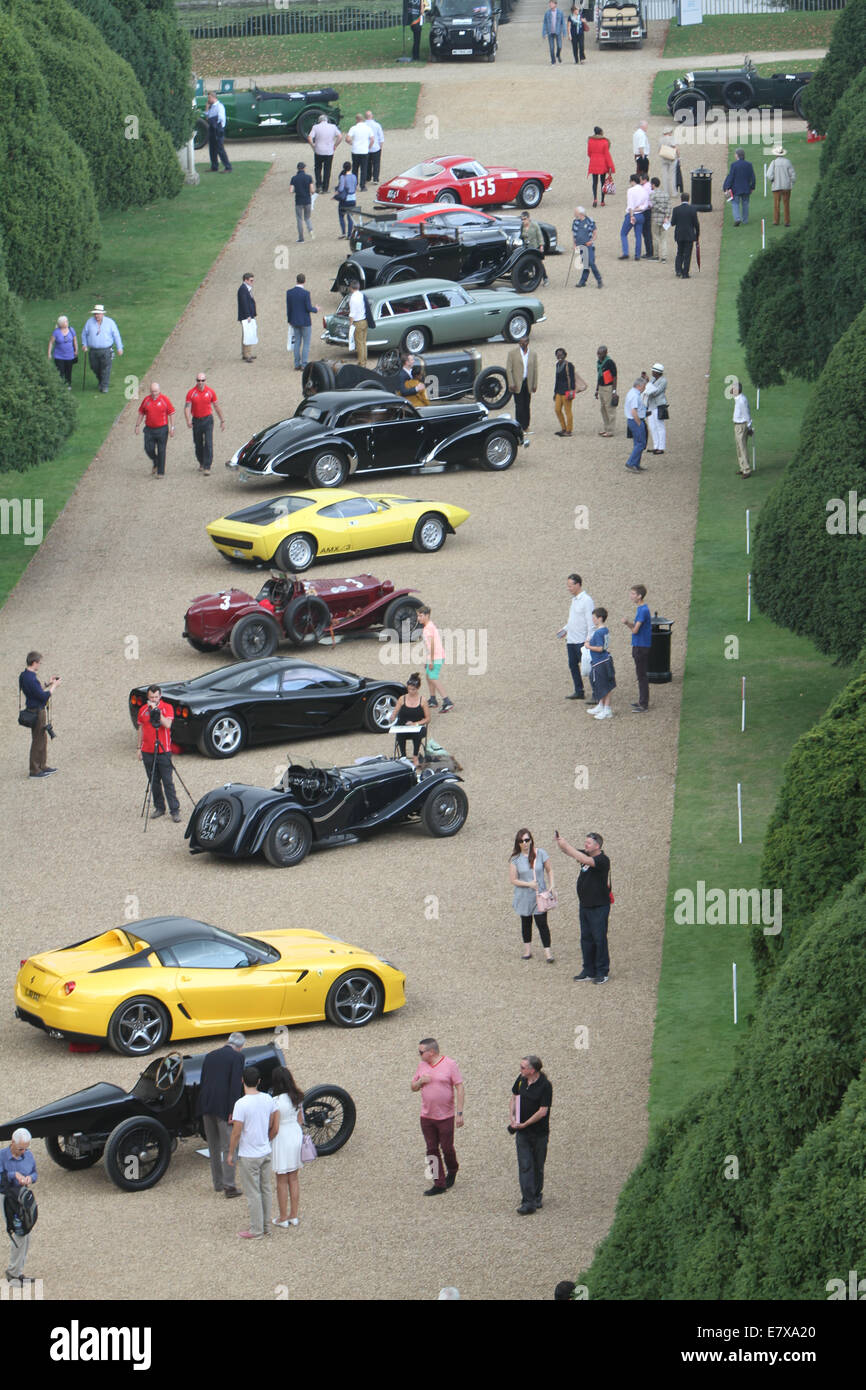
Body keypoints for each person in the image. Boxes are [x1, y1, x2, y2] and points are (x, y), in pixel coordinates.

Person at [227, 1067, 279, 1239]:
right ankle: (265, 1227)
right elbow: (271, 1123)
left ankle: (256, 1230)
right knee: (266, 1189)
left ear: (242, 1081)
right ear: (258, 1081)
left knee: (253, 1193)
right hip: (265, 1150)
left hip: (249, 1155)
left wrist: (230, 1153)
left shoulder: (241, 1104)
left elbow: (236, 1132)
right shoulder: (267, 1099)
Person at [555, 829, 612, 982]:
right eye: (585, 842)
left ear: (597, 846)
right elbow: (570, 852)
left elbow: (583, 859)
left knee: (599, 939)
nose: (585, 845)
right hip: (585, 905)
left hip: (599, 907)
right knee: (586, 938)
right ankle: (589, 970)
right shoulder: (585, 855)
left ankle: (602, 972)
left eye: (588, 843)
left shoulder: (602, 860)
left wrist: (568, 846)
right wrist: (562, 843)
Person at [411, 1039, 464, 1196]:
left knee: (447, 1148)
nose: (419, 1055)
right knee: (431, 1149)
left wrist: (459, 1113)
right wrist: (420, 1081)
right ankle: (438, 1182)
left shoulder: (450, 1064)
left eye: (421, 1052)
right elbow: (413, 1087)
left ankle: (452, 1169)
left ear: (431, 1052)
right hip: (426, 1116)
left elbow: (459, 1087)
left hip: (445, 1116)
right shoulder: (422, 1066)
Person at [197, 1033, 246, 1199]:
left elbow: (204, 1080)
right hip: (224, 1107)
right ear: (240, 1046)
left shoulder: (210, 1055)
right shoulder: (238, 1057)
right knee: (229, 1147)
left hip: (207, 1104)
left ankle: (217, 1183)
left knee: (213, 1146)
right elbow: (235, 1085)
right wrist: (234, 1110)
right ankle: (229, 1186)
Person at [508, 1055, 552, 1214]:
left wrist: (526, 1123)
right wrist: (512, 1118)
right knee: (525, 1165)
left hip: (539, 1133)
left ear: (532, 1070)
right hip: (522, 1134)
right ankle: (528, 1201)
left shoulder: (545, 1086)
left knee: (538, 1165)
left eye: (523, 1067)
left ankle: (536, 1194)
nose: (520, 1070)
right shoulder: (520, 1080)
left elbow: (543, 1111)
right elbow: (514, 1097)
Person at [509, 829, 556, 963]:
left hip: (539, 895)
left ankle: (548, 952)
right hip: (524, 896)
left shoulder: (540, 853)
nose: (524, 843)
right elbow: (513, 879)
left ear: (531, 840)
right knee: (526, 923)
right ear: (518, 843)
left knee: (542, 923)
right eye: (521, 841)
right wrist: (528, 884)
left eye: (527, 840)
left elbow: (549, 869)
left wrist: (552, 885)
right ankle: (527, 950)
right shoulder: (515, 859)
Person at [137, 684, 181, 822]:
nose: (154, 699)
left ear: (160, 696)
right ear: (148, 697)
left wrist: (157, 711)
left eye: (156, 697)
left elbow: (167, 724)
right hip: (147, 750)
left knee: (168, 781)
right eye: (151, 697)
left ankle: (174, 810)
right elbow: (141, 728)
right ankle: (159, 807)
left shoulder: (167, 707)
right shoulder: (143, 710)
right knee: (154, 781)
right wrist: (139, 748)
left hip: (163, 750)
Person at [270, 1065, 305, 1228]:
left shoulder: (275, 1102)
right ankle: (294, 1215)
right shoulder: (298, 1097)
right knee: (294, 1178)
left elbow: (275, 1128)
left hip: (282, 1138)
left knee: (281, 1180)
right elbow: (300, 1120)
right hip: (295, 1135)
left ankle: (283, 1217)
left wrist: (267, 1140)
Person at [1, 1129, 37, 1286]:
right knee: (20, 1233)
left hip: (22, 1197)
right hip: (7, 1198)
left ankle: (18, 1272)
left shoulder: (28, 1155)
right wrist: (13, 1175)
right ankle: (12, 1273)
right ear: (12, 1142)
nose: (23, 1152)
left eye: (26, 1148)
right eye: (20, 1148)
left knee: (26, 1233)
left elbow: (35, 1173)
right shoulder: (2, 1155)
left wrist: (30, 1178)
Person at [19, 651, 60, 778]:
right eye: (39, 663)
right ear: (34, 663)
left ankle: (42, 765)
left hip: (32, 709)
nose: (39, 665)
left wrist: (47, 683)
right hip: (37, 711)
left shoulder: (24, 676)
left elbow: (34, 691)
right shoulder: (31, 678)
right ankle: (35, 770)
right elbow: (43, 697)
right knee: (38, 740)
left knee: (41, 739)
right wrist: (54, 686)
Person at [557, 572, 594, 699]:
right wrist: (565, 629)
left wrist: (588, 639)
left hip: (582, 640)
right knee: (573, 665)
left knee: (588, 666)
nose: (568, 588)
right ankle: (579, 690)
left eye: (570, 585)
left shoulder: (587, 601)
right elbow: (573, 619)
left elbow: (590, 622)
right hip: (571, 639)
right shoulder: (574, 600)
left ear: (578, 585)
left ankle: (596, 692)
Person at [184, 371, 225, 475]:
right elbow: (187, 407)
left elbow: (216, 406)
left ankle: (207, 466)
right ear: (196, 381)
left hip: (208, 420)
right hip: (196, 420)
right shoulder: (191, 393)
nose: (200, 382)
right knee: (198, 444)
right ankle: (201, 462)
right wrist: (188, 419)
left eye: (202, 380)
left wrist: (222, 420)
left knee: (208, 443)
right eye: (198, 380)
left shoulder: (210, 392)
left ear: (205, 381)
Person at [134, 381, 175, 478]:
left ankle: (160, 472)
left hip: (162, 429)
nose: (154, 393)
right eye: (152, 391)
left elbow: (171, 413)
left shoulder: (165, 400)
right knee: (148, 448)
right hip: (149, 429)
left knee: (161, 450)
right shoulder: (146, 400)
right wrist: (137, 425)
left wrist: (172, 427)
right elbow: (141, 413)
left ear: (159, 391)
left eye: (156, 391)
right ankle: (156, 461)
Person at [80, 303, 123, 392]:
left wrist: (119, 347)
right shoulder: (89, 322)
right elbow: (84, 334)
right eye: (95, 314)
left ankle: (104, 386)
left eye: (98, 314)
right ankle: (101, 381)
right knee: (94, 367)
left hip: (106, 350)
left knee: (106, 368)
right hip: (93, 350)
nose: (96, 315)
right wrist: (84, 344)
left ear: (102, 314)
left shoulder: (110, 322)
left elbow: (116, 335)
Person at [418, 606, 453, 712]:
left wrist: (431, 660)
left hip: (436, 657)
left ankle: (447, 701)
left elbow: (432, 645)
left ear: (427, 615)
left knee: (433, 677)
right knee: (429, 676)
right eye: (418, 616)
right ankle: (433, 699)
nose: (418, 618)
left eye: (420, 616)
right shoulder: (429, 626)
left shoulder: (428, 628)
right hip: (435, 656)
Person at [389, 673, 430, 765]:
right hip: (403, 726)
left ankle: (415, 756)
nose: (411, 691)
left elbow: (427, 719)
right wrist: (392, 717)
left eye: (413, 689)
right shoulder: (401, 699)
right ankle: (403, 756)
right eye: (409, 689)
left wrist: (415, 724)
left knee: (418, 734)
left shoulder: (422, 700)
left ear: (418, 688)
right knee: (400, 734)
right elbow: (394, 713)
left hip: (417, 726)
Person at [623, 583, 652, 712]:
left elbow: (635, 630)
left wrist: (627, 623)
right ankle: (642, 701)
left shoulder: (643, 610)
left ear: (639, 596)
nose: (631, 596)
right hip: (640, 645)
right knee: (641, 674)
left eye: (633, 594)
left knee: (642, 675)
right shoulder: (642, 609)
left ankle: (644, 704)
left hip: (641, 646)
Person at [585, 607, 615, 719]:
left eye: (594, 618)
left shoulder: (598, 633)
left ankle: (607, 709)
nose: (593, 620)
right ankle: (601, 705)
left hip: (600, 661)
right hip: (604, 660)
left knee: (604, 686)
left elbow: (599, 648)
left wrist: (588, 646)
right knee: (603, 684)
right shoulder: (605, 630)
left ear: (600, 618)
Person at [285, 273, 320, 372]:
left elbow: (289, 308)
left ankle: (296, 364)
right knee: (306, 343)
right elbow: (308, 308)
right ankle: (304, 364)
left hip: (294, 321)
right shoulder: (306, 293)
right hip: (305, 321)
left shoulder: (289, 292)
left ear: (296, 280)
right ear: (304, 281)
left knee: (297, 343)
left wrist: (289, 320)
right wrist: (316, 309)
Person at [506, 334, 538, 432]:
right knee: (519, 406)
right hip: (517, 383)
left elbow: (535, 370)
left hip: (527, 382)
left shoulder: (532, 354)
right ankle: (518, 426)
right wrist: (511, 383)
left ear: (528, 342)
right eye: (521, 342)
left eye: (524, 342)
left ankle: (526, 426)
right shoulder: (512, 353)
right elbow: (509, 369)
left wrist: (534, 384)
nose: (522, 344)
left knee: (527, 405)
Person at [552, 347, 585, 435]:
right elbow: (557, 379)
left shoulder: (569, 365)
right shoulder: (557, 365)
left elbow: (572, 379)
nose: (559, 356)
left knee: (567, 411)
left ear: (565, 355)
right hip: (559, 391)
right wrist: (555, 392)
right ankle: (563, 427)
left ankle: (569, 430)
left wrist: (571, 391)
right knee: (557, 409)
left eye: (561, 355)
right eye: (558, 355)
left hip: (567, 391)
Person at [307, 112, 342, 193]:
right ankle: (325, 188)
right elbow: (340, 137)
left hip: (318, 150)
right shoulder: (333, 127)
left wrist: (313, 145)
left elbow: (309, 137)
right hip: (329, 151)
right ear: (327, 120)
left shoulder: (315, 127)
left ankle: (318, 185)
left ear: (319, 121)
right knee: (327, 169)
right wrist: (335, 145)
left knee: (318, 168)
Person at [722, 148, 756, 227]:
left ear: (737, 155)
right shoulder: (749, 164)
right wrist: (752, 187)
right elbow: (753, 177)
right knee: (745, 204)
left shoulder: (734, 165)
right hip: (746, 188)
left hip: (736, 188)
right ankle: (745, 220)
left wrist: (726, 187)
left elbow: (731, 177)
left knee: (735, 204)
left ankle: (737, 219)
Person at [670, 193, 700, 279]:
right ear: (688, 199)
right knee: (687, 254)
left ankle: (678, 270)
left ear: (681, 199)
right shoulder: (693, 209)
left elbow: (673, 223)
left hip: (679, 234)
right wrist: (697, 234)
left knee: (679, 252)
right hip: (689, 235)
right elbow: (696, 224)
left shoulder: (676, 209)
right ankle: (685, 272)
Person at [572, 206, 602, 288]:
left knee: (591, 263)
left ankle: (599, 280)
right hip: (581, 246)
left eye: (576, 212)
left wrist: (591, 241)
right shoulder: (575, 222)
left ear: (581, 213)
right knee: (585, 264)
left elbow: (595, 233)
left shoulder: (589, 221)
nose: (574, 214)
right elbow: (574, 234)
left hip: (588, 246)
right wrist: (574, 244)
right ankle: (583, 281)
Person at [766, 145, 795, 227]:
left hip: (776, 187)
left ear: (776, 154)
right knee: (786, 204)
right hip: (786, 187)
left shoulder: (774, 162)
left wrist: (772, 180)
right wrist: (792, 183)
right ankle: (787, 221)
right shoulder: (787, 162)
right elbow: (792, 175)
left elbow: (768, 174)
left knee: (776, 204)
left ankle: (776, 220)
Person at [643, 363, 668, 454]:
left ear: (657, 372)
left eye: (653, 371)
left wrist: (648, 387)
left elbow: (655, 392)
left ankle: (661, 447)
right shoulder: (653, 380)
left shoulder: (663, 381)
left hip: (658, 406)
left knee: (659, 426)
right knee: (652, 426)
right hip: (651, 405)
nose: (652, 372)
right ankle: (656, 446)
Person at [586, 126, 614, 208]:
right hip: (602, 163)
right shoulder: (605, 142)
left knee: (594, 182)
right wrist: (610, 166)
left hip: (593, 162)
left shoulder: (590, 141)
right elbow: (607, 154)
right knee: (603, 182)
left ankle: (595, 198)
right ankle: (602, 200)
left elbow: (589, 153)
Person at [619, 174, 645, 260]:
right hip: (641, 214)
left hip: (632, 214)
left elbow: (630, 205)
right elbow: (645, 205)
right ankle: (637, 255)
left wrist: (631, 216)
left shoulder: (630, 190)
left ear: (633, 181)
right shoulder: (643, 190)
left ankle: (625, 252)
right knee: (638, 236)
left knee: (623, 233)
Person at [47, 315, 77, 389]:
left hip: (70, 355)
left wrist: (76, 350)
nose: (67, 322)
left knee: (68, 371)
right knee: (60, 371)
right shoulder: (56, 332)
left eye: (67, 321)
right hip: (59, 356)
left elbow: (75, 340)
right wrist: (49, 353)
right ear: (61, 324)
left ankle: (68, 385)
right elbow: (51, 342)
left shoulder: (71, 330)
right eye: (66, 321)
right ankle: (60, 385)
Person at [624, 379, 648, 472]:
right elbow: (633, 411)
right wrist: (639, 422)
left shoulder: (632, 393)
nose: (644, 388)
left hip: (633, 420)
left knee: (637, 443)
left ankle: (636, 464)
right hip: (635, 420)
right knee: (641, 443)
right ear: (639, 386)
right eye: (644, 386)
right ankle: (631, 462)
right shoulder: (634, 396)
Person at [205, 92, 232, 173]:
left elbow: (220, 118)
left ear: (213, 97)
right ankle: (214, 166)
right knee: (212, 149)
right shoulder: (211, 107)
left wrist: (212, 121)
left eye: (209, 98)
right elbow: (207, 117)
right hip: (212, 129)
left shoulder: (219, 106)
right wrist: (206, 108)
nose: (208, 100)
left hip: (218, 129)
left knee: (220, 149)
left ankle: (228, 167)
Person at [732, 379, 753, 478]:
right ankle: (742, 467)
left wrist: (749, 427)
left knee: (742, 447)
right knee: (738, 447)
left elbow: (746, 414)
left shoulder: (742, 400)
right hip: (737, 425)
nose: (731, 390)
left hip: (741, 425)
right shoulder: (738, 398)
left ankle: (747, 470)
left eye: (733, 388)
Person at [519, 211, 547, 285]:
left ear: (528, 218)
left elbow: (540, 236)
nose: (523, 221)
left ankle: (545, 278)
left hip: (535, 247)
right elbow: (521, 236)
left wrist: (541, 246)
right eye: (522, 219)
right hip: (527, 248)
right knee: (528, 263)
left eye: (525, 219)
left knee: (539, 263)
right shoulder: (522, 226)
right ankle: (530, 277)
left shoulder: (535, 225)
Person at [595, 344, 617, 436]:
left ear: (606, 353)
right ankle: (606, 428)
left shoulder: (609, 362)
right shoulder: (599, 362)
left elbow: (615, 376)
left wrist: (614, 391)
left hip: (608, 387)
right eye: (598, 353)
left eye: (601, 354)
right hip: (601, 387)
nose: (599, 355)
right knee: (603, 409)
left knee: (610, 409)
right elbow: (599, 376)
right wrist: (596, 389)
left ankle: (610, 430)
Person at [346, 113, 372, 191]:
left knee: (355, 168)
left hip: (355, 150)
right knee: (364, 169)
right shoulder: (368, 128)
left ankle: (354, 185)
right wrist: (368, 147)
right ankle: (362, 186)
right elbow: (372, 139)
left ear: (357, 120)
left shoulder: (353, 128)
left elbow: (347, 139)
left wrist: (351, 143)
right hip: (364, 151)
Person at [290, 161, 314, 242]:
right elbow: (312, 190)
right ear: (304, 168)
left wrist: (295, 190)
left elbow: (291, 190)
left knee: (299, 219)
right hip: (307, 200)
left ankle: (301, 238)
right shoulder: (309, 177)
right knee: (307, 218)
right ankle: (310, 229)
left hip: (299, 201)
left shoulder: (294, 178)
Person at [347, 277, 368, 367]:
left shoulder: (353, 298)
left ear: (351, 288)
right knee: (363, 342)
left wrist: (350, 324)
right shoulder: (362, 295)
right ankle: (364, 360)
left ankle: (361, 362)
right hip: (364, 320)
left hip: (357, 322)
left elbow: (352, 314)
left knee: (359, 343)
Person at [237, 273, 257, 363]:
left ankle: (246, 353)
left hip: (248, 316)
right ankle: (247, 355)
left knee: (247, 334)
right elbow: (244, 304)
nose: (252, 282)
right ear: (245, 280)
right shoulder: (243, 289)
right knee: (247, 335)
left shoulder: (246, 289)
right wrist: (248, 315)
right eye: (251, 280)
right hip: (246, 317)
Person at [650, 177, 671, 262]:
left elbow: (654, 206)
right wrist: (667, 216)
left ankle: (656, 255)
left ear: (653, 185)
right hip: (665, 219)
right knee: (664, 239)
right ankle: (664, 257)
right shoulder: (666, 194)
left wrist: (662, 211)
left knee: (655, 238)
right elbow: (669, 206)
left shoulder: (652, 194)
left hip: (655, 218)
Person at [336, 162, 358, 239]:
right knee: (350, 217)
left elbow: (341, 188)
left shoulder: (343, 177)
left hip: (345, 199)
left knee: (341, 216)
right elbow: (355, 186)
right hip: (353, 199)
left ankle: (343, 233)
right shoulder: (354, 176)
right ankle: (349, 234)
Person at [657, 127, 679, 201]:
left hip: (663, 158)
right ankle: (673, 192)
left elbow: (659, 150)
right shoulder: (671, 138)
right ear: (669, 132)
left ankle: (665, 192)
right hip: (672, 158)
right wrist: (678, 156)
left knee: (664, 175)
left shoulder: (660, 139)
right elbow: (675, 148)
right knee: (672, 175)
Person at [365, 110, 384, 183]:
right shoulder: (377, 125)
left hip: (366, 148)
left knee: (367, 163)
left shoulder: (364, 125)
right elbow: (381, 137)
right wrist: (380, 147)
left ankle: (368, 177)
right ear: (372, 116)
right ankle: (375, 178)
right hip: (376, 147)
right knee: (376, 163)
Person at [638, 174, 654, 258]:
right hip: (649, 209)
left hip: (645, 210)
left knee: (646, 232)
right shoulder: (650, 186)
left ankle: (649, 252)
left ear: (644, 180)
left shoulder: (644, 188)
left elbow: (644, 200)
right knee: (648, 232)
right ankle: (650, 250)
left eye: (640, 180)